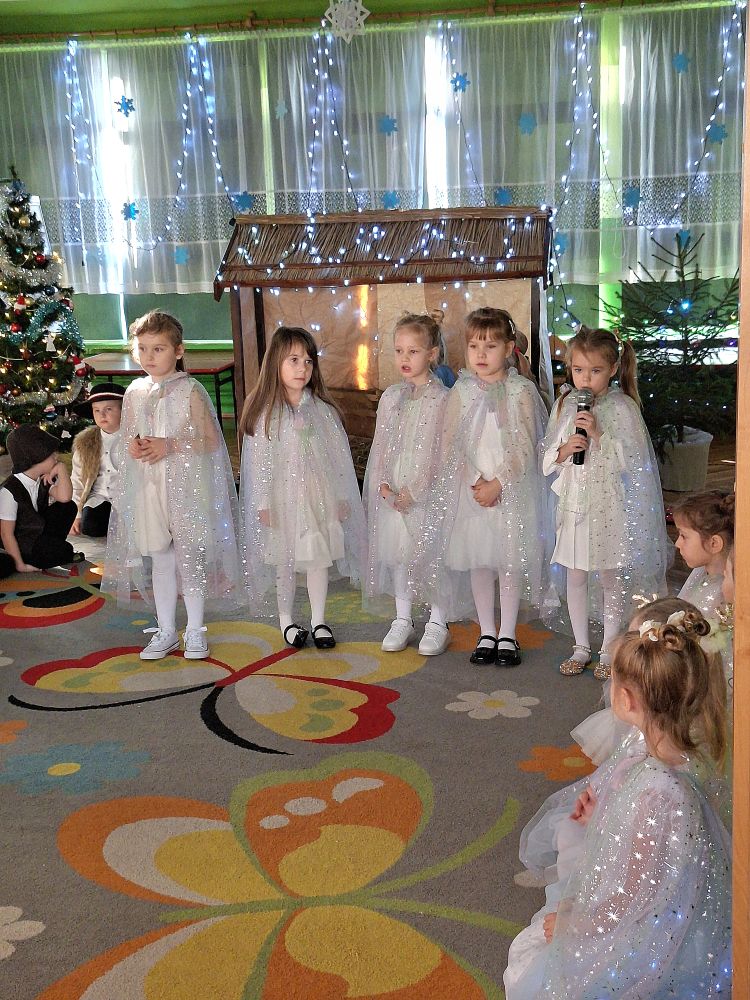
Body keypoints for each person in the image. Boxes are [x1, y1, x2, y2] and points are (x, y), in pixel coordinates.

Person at [505, 606, 731, 1000]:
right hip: (669, 913)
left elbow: (632, 899)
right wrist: (606, 815)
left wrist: (573, 925)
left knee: (533, 967)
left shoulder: (658, 790)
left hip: (651, 938)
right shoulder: (673, 763)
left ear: (626, 699)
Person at [102, 311, 240, 661]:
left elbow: (211, 440)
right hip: (150, 486)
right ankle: (166, 630)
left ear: (178, 351)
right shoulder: (134, 392)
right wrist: (134, 446)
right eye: (142, 349)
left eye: (158, 349)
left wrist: (171, 445)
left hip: (186, 485)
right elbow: (129, 437)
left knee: (188, 557)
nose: (149, 356)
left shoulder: (190, 390)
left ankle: (195, 629)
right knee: (160, 559)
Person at [419, 306, 549, 666]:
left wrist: (499, 483)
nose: (480, 354)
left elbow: (527, 445)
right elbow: (452, 443)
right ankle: (486, 631)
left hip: (510, 490)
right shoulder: (461, 390)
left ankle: (507, 633)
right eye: (474, 346)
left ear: (508, 349)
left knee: (508, 561)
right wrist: (476, 481)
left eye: (490, 346)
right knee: (479, 561)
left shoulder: (521, 391)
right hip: (472, 490)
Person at [542, 325, 670, 679]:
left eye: (595, 370)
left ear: (613, 369)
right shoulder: (565, 405)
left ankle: (608, 648)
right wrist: (564, 450)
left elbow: (633, 463)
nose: (585, 379)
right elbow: (546, 460)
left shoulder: (623, 408)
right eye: (578, 369)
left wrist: (599, 434)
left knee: (611, 577)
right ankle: (581, 645)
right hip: (575, 507)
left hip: (610, 508)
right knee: (576, 575)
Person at [239, 326, 366, 649]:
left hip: (317, 496)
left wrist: (340, 496)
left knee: (318, 557)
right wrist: (263, 503)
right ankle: (286, 619)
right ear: (276, 363)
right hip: (282, 499)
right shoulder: (266, 414)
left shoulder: (322, 411)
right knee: (285, 560)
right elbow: (260, 464)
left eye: (308, 362)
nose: (302, 368)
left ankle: (319, 620)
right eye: (293, 360)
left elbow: (336, 460)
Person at [363, 312, 450, 655]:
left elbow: (441, 453)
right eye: (399, 351)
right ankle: (402, 618)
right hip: (394, 488)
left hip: (425, 491)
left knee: (429, 554)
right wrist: (383, 484)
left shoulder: (442, 398)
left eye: (413, 351)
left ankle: (438, 621)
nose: (404, 358)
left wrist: (415, 491)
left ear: (431, 354)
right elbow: (381, 445)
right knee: (399, 555)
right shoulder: (391, 397)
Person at [0, 424, 81, 574]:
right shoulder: (9, 491)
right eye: (51, 454)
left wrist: (61, 469)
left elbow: (65, 497)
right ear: (35, 458)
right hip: (22, 543)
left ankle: (51, 546)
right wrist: (20, 565)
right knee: (64, 551)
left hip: (37, 532)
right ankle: (29, 557)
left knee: (68, 507)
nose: (56, 457)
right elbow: (6, 534)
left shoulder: (41, 479)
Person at [70, 381, 126, 538]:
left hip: (129, 498)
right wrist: (76, 514)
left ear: (124, 410)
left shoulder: (135, 438)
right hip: (99, 497)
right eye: (97, 410)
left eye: (109, 409)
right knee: (91, 527)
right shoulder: (85, 444)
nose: (102, 415)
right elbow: (77, 480)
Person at [673, 490, 734, 615]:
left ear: (714, 543)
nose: (677, 544)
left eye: (683, 536)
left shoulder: (723, 595)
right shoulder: (701, 573)